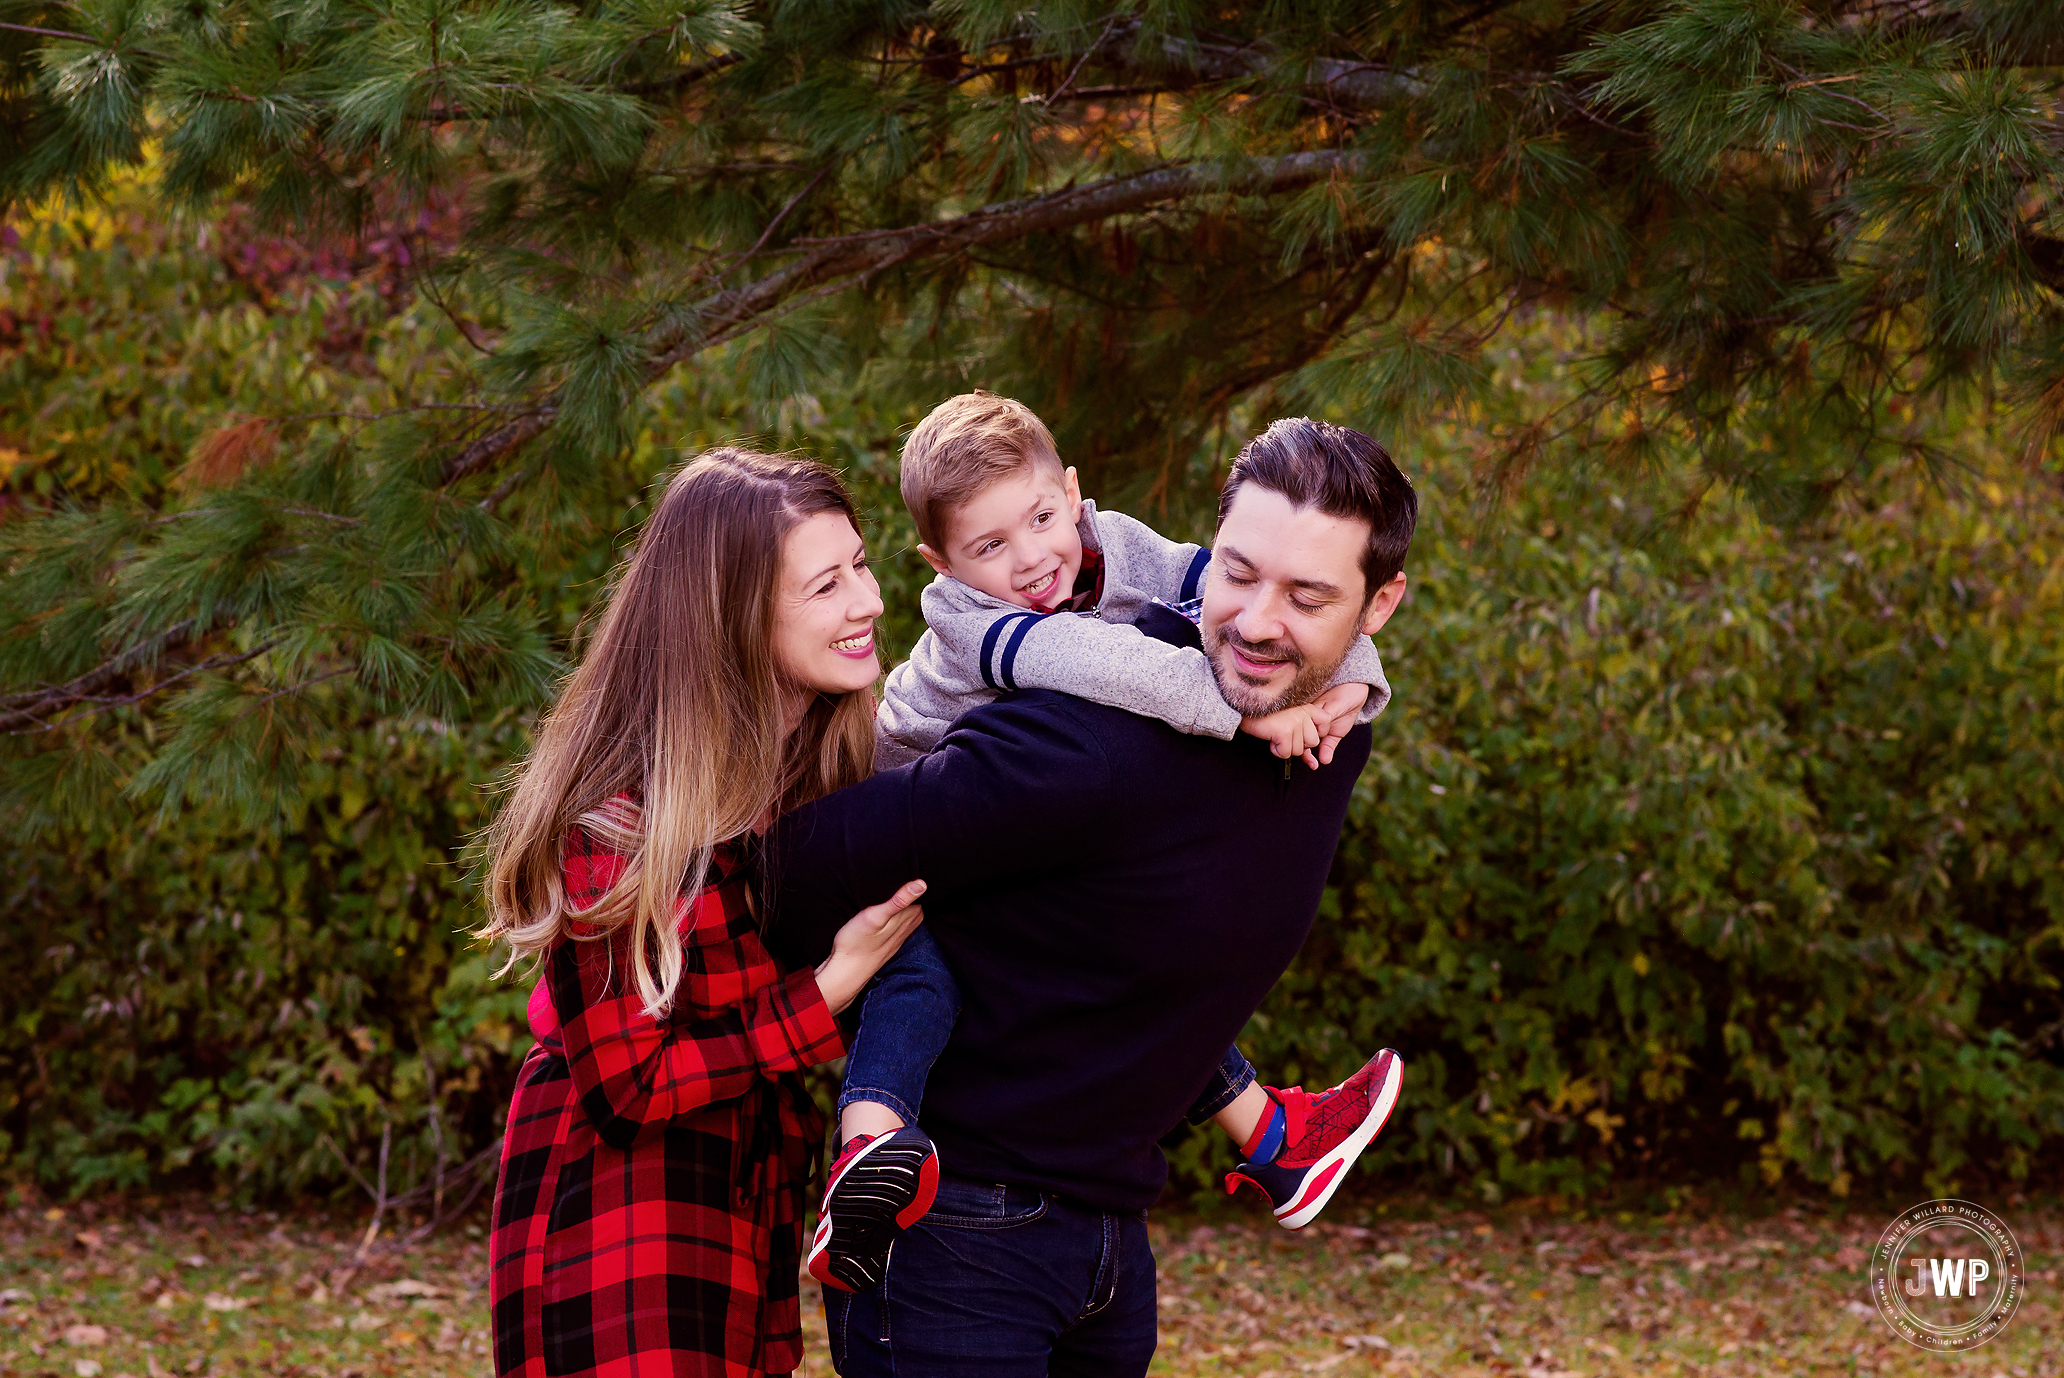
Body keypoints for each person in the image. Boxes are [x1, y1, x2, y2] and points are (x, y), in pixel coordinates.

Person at [765, 417, 1419, 1376]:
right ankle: (873, 1136)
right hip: (962, 1231)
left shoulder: (1329, 730)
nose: (1257, 620)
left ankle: (1272, 1133)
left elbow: (1133, 948)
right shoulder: (1082, 742)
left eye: (1309, 594)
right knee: (918, 954)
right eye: (1238, 574)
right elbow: (784, 869)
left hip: (1111, 1228)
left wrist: (1355, 690)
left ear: (1378, 605)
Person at [480, 450, 928, 1378]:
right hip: (618, 1199)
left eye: (861, 565)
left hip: (747, 1187)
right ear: (732, 616)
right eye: (825, 585)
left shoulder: (817, 789)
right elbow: (627, 1090)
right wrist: (833, 984)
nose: (869, 601)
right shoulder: (619, 818)